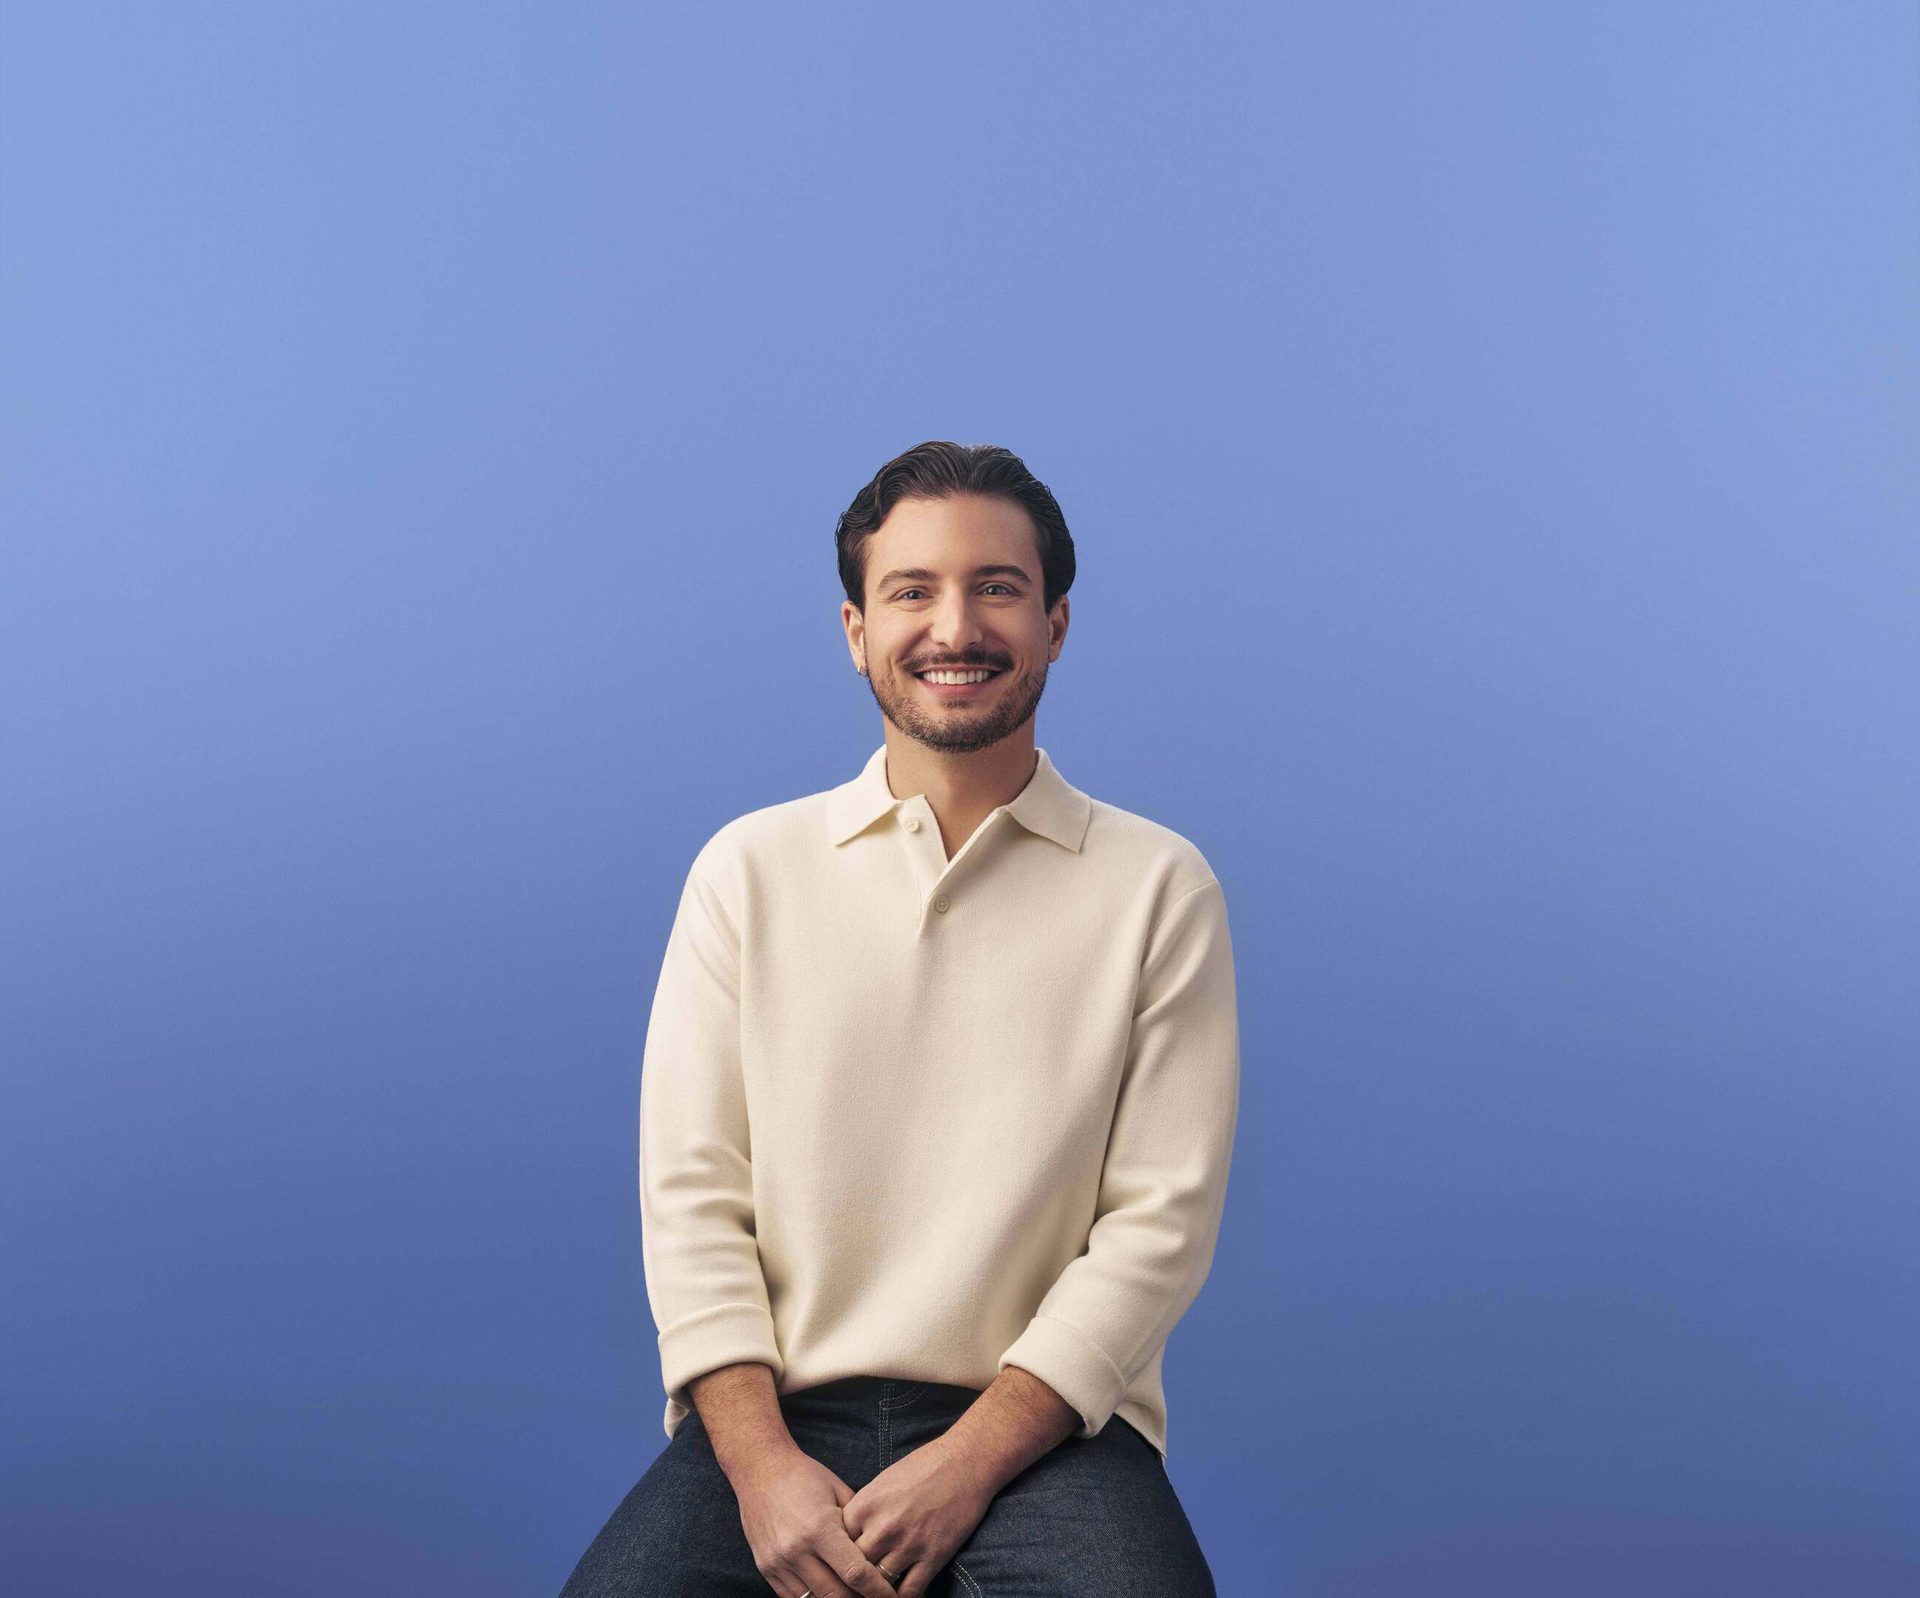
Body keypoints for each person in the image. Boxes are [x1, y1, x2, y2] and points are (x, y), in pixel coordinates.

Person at [560, 441, 1240, 1598]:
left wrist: (965, 1465)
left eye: (998, 587)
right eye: (911, 590)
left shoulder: (1158, 885)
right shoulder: (749, 870)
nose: (954, 626)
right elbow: (691, 1199)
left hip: (1047, 1430)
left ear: (1058, 622)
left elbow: (1156, 1229)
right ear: (855, 630)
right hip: (777, 1418)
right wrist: (763, 1464)